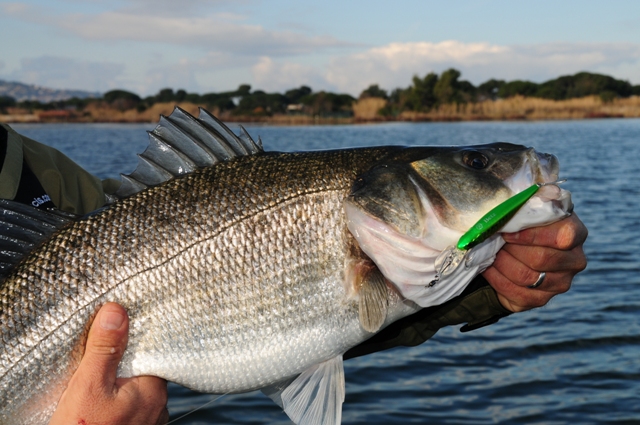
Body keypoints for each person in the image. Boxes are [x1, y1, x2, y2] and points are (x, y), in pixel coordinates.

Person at [0, 122, 587, 424]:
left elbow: (290, 320)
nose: (489, 170)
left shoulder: (31, 170)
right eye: (475, 165)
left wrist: (492, 282)